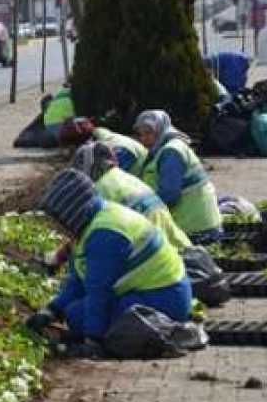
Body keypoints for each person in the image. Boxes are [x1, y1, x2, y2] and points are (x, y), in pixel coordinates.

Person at [27, 170, 192, 352]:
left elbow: (99, 292)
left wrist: (92, 341)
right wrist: (51, 310)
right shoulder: (92, 223)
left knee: (77, 315)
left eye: (58, 220)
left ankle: (100, 338)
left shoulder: (105, 234)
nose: (57, 228)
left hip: (164, 300)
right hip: (152, 292)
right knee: (74, 311)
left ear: (71, 214)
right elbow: (78, 280)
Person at [73, 142, 191, 251]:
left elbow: (90, 235)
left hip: (160, 256)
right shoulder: (128, 178)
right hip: (182, 247)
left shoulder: (98, 190)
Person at [134, 110, 222, 243]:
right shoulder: (162, 150)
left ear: (160, 130)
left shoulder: (171, 153)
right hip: (199, 223)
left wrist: (142, 210)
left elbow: (169, 194)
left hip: (194, 228)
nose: (144, 139)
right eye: (141, 134)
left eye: (149, 133)